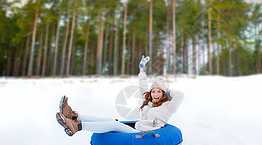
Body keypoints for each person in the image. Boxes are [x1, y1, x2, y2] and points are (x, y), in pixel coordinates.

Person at [56, 55, 184, 136]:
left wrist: (167, 91)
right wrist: (141, 69)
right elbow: (143, 86)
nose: (155, 94)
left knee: (114, 125)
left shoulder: (168, 107)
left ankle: (77, 126)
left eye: (159, 92)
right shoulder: (149, 103)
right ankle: (74, 116)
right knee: (110, 120)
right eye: (153, 91)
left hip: (145, 135)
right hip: (138, 128)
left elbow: (180, 94)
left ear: (163, 94)